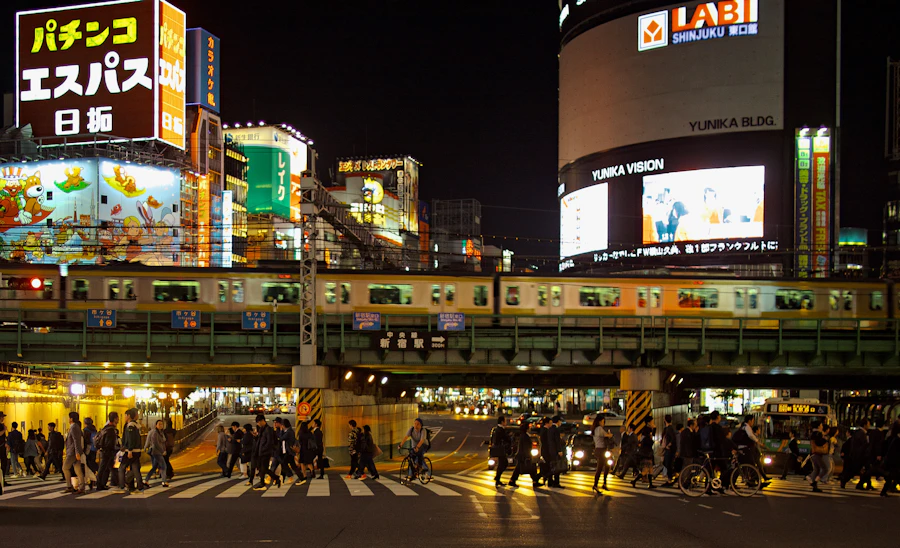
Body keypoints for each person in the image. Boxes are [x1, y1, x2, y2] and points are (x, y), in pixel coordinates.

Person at [117, 408, 145, 493]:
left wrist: (129, 450)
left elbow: (130, 439)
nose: (124, 417)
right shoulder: (137, 425)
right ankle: (140, 486)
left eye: (125, 416)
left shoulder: (130, 426)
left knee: (122, 468)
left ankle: (122, 485)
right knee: (135, 468)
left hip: (130, 450)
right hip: (137, 450)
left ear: (128, 416)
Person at [840, 418, 871, 490]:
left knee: (866, 470)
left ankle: (865, 484)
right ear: (865, 424)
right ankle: (844, 480)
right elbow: (860, 446)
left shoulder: (861, 433)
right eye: (868, 423)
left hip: (860, 455)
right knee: (855, 470)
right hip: (859, 455)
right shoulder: (860, 433)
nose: (869, 425)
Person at [509, 421, 542, 488]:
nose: (530, 428)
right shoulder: (525, 436)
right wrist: (528, 456)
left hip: (522, 455)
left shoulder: (523, 435)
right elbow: (526, 447)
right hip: (524, 455)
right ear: (527, 428)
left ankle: (512, 480)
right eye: (529, 427)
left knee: (519, 469)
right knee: (531, 468)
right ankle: (535, 481)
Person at [398, 418, 430, 482]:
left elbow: (422, 440)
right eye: (415, 424)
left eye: (418, 424)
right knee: (411, 458)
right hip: (414, 446)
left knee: (419, 454)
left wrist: (417, 447)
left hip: (423, 445)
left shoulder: (423, 430)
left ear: (421, 425)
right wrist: (400, 445)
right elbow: (406, 437)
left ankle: (422, 468)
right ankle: (412, 475)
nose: (416, 425)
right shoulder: (411, 429)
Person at [253, 414, 279, 490]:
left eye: (258, 422)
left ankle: (262, 483)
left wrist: (264, 449)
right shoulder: (262, 429)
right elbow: (260, 440)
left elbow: (269, 442)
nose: (258, 424)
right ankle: (276, 478)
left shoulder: (268, 429)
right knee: (262, 468)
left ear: (262, 421)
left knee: (263, 468)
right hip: (261, 451)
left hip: (266, 452)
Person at [95, 412, 119, 490]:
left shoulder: (106, 428)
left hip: (105, 451)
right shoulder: (111, 430)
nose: (118, 419)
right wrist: (113, 450)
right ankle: (99, 484)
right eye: (117, 417)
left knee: (107, 468)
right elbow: (109, 443)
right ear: (115, 419)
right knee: (103, 468)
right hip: (107, 452)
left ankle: (103, 484)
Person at [631, 417, 657, 489]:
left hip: (648, 451)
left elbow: (652, 436)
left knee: (651, 468)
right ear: (648, 422)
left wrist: (654, 429)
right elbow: (649, 440)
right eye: (652, 421)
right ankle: (634, 481)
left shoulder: (647, 429)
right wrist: (653, 431)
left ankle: (651, 484)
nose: (653, 423)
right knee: (645, 470)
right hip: (646, 452)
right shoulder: (646, 430)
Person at [63, 411, 85, 494]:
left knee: (65, 468)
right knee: (78, 469)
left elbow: (76, 440)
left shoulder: (74, 427)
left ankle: (69, 486)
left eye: (69, 417)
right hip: (74, 451)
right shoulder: (75, 426)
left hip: (72, 452)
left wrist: (77, 452)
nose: (68, 419)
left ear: (71, 419)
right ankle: (82, 487)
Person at [143, 419, 169, 488]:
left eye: (162, 424)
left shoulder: (161, 432)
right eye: (159, 424)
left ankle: (146, 480)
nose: (161, 425)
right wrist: (162, 451)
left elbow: (163, 443)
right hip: (156, 452)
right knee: (163, 466)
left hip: (157, 452)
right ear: (155, 425)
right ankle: (164, 481)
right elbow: (155, 443)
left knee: (154, 467)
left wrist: (164, 449)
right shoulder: (154, 432)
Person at [592, 415, 614, 493]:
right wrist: (609, 434)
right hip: (601, 450)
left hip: (601, 450)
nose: (603, 423)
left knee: (606, 466)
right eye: (603, 421)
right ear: (599, 421)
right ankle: (595, 485)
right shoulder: (599, 429)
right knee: (600, 468)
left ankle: (604, 483)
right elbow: (607, 435)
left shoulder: (596, 429)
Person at [880, 420, 900, 497]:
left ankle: (885, 490)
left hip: (891, 460)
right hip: (895, 461)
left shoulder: (891, 437)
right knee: (893, 476)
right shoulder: (897, 439)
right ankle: (885, 490)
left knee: (891, 476)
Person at [489, 415, 510, 487]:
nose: (506, 422)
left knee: (501, 464)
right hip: (500, 449)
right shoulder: (500, 430)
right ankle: (497, 477)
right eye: (505, 421)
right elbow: (505, 439)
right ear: (502, 422)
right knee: (504, 463)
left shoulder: (497, 429)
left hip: (500, 449)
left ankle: (497, 479)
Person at [809, 421, 829, 493]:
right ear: (818, 426)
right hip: (817, 453)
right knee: (825, 469)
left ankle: (814, 486)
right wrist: (825, 439)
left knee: (817, 469)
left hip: (813, 453)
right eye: (821, 424)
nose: (822, 426)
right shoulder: (818, 434)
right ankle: (813, 480)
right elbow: (820, 442)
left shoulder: (812, 433)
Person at [546, 416, 564, 489]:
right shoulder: (556, 430)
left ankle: (550, 481)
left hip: (550, 450)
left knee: (552, 466)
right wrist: (559, 450)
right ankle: (556, 482)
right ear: (558, 421)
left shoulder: (549, 429)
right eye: (560, 421)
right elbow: (557, 441)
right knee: (557, 467)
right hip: (555, 451)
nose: (561, 423)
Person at [661, 415, 677, 486]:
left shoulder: (670, 428)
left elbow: (673, 439)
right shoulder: (668, 428)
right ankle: (673, 476)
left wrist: (668, 445)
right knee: (666, 463)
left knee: (668, 463)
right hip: (668, 449)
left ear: (665, 420)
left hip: (669, 450)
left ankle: (671, 478)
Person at [82, 417, 99, 482]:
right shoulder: (94, 429)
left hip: (88, 448)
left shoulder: (86, 430)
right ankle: (94, 473)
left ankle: (94, 473)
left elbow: (86, 440)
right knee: (92, 460)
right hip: (94, 448)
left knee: (88, 462)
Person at [0, 411, 8, 484]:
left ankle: (3, 479)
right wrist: (4, 430)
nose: (3, 418)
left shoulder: (2, 425)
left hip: (2, 446)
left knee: (4, 463)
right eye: (2, 417)